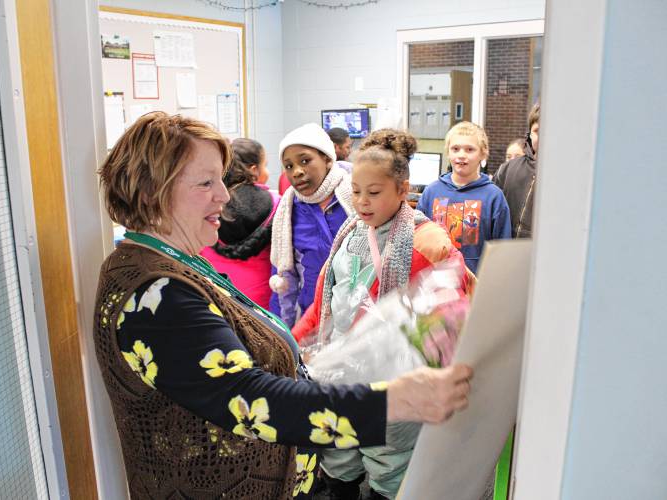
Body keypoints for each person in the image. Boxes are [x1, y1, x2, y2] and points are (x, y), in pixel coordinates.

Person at [93, 112, 473, 499]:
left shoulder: (175, 264)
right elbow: (252, 399)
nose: (225, 196)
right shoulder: (155, 293)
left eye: (220, 180)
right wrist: (392, 401)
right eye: (206, 182)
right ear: (148, 194)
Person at [292, 129, 475, 499]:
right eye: (355, 191)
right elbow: (326, 301)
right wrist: (295, 342)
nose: (362, 202)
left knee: (388, 461)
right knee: (337, 451)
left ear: (402, 190)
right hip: (341, 370)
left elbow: (457, 308)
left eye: (374, 193)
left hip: (396, 378)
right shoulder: (349, 234)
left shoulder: (428, 240)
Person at [269, 123, 355, 328]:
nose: (297, 172)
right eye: (289, 166)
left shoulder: (355, 197)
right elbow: (283, 275)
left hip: (355, 314)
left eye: (305, 161)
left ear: (327, 158)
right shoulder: (289, 208)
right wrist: (282, 330)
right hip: (311, 314)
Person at [418, 122, 511, 274]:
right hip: (436, 282)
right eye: (455, 149)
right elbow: (419, 240)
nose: (461, 155)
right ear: (448, 153)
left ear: (483, 154)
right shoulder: (431, 192)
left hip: (477, 283)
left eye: (470, 149)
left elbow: (502, 249)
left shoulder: (494, 196)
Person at [200, 138, 278, 309]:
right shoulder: (277, 203)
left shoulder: (209, 202)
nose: (268, 171)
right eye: (265, 165)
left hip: (218, 294)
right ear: (254, 170)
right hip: (263, 298)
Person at [494, 103, 540, 238]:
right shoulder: (507, 169)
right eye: (537, 131)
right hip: (509, 249)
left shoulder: (567, 175)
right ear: (530, 134)